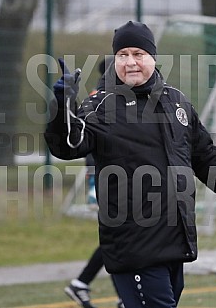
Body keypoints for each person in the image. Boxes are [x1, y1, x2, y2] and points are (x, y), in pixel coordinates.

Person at [45, 21, 216, 308]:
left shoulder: (176, 102)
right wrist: (62, 106)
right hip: (135, 250)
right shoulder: (102, 107)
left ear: (152, 57)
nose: (130, 62)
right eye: (123, 55)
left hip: (176, 245)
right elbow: (67, 146)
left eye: (138, 53)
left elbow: (206, 157)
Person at [64, 59, 124, 308]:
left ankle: (83, 284)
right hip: (105, 179)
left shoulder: (114, 98)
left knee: (119, 236)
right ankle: (113, 293)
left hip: (111, 179)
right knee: (118, 236)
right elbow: (88, 142)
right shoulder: (101, 100)